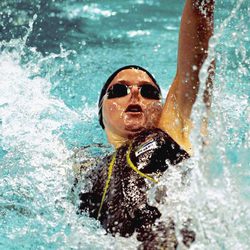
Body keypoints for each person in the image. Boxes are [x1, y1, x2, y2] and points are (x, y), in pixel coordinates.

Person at [74, 0, 215, 249]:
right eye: (119, 90)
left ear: (162, 109)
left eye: (149, 92)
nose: (135, 95)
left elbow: (196, 60)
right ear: (101, 112)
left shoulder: (170, 136)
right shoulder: (84, 169)